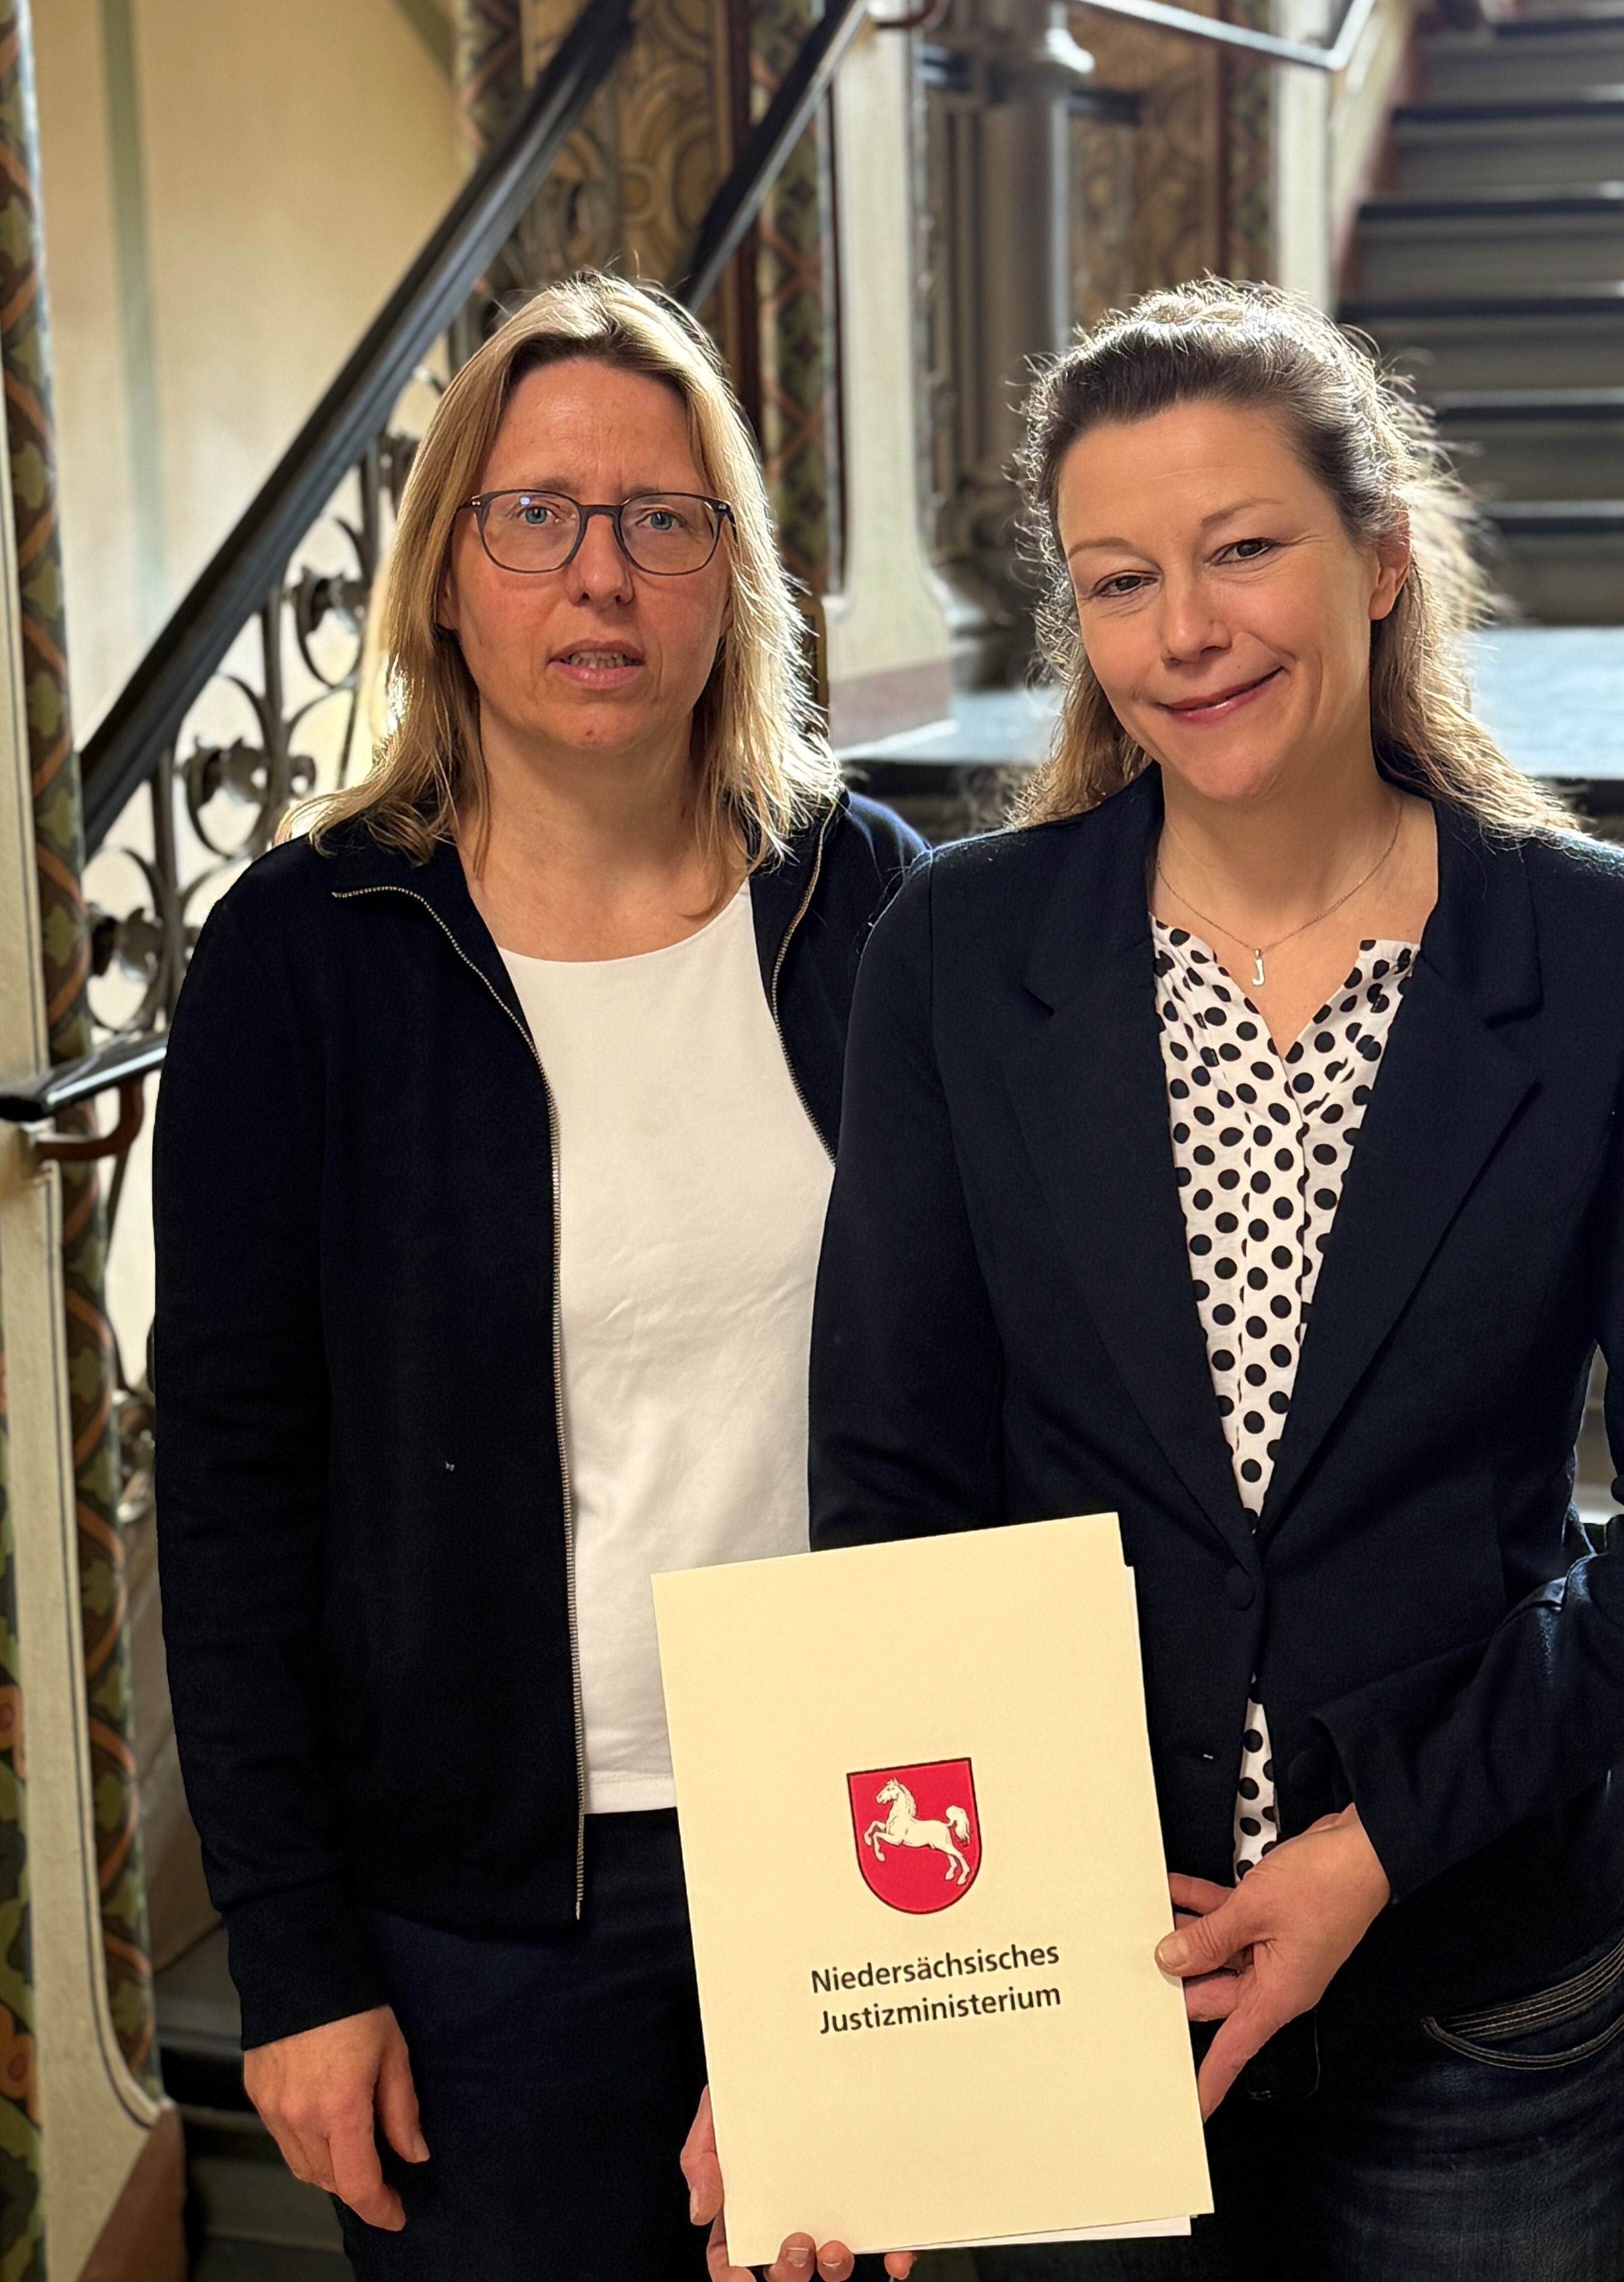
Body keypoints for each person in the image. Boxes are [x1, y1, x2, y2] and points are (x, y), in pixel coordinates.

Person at [806, 282, 1624, 2280]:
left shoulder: (1609, 958)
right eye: (1117, 580)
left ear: (1378, 557)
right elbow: (892, 1489)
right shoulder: (958, 956)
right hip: (1071, 1973)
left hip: (1479, 2000)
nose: (1181, 630)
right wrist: (871, 2007)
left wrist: (1377, 1842)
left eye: (1241, 548)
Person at [154, 273, 921, 2282]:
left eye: (663, 518)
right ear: (443, 576)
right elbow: (233, 1485)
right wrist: (293, 1950)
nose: (602, 574)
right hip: (477, 1911)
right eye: (536, 516)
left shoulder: (867, 901)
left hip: (862, 1835)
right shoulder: (306, 953)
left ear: (730, 577)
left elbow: (994, 1389)